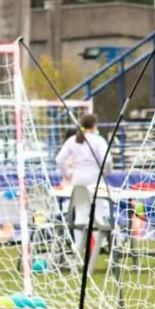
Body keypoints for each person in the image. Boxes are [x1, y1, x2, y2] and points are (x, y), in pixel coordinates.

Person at [55, 113, 112, 271]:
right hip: (95, 179)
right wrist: (107, 171)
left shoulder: (72, 141)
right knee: (99, 216)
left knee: (80, 217)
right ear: (94, 125)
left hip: (78, 180)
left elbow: (59, 160)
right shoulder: (98, 140)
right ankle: (99, 252)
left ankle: (78, 254)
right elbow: (107, 160)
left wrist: (66, 174)